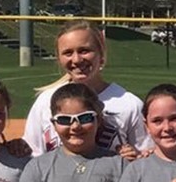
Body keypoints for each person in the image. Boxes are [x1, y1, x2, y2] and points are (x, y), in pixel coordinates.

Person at [24, 21, 147, 160]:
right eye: (68, 53)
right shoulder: (45, 101)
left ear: (101, 53)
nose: (76, 59)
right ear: (59, 58)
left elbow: (147, 158)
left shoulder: (129, 104)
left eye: (84, 51)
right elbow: (32, 155)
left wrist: (135, 158)